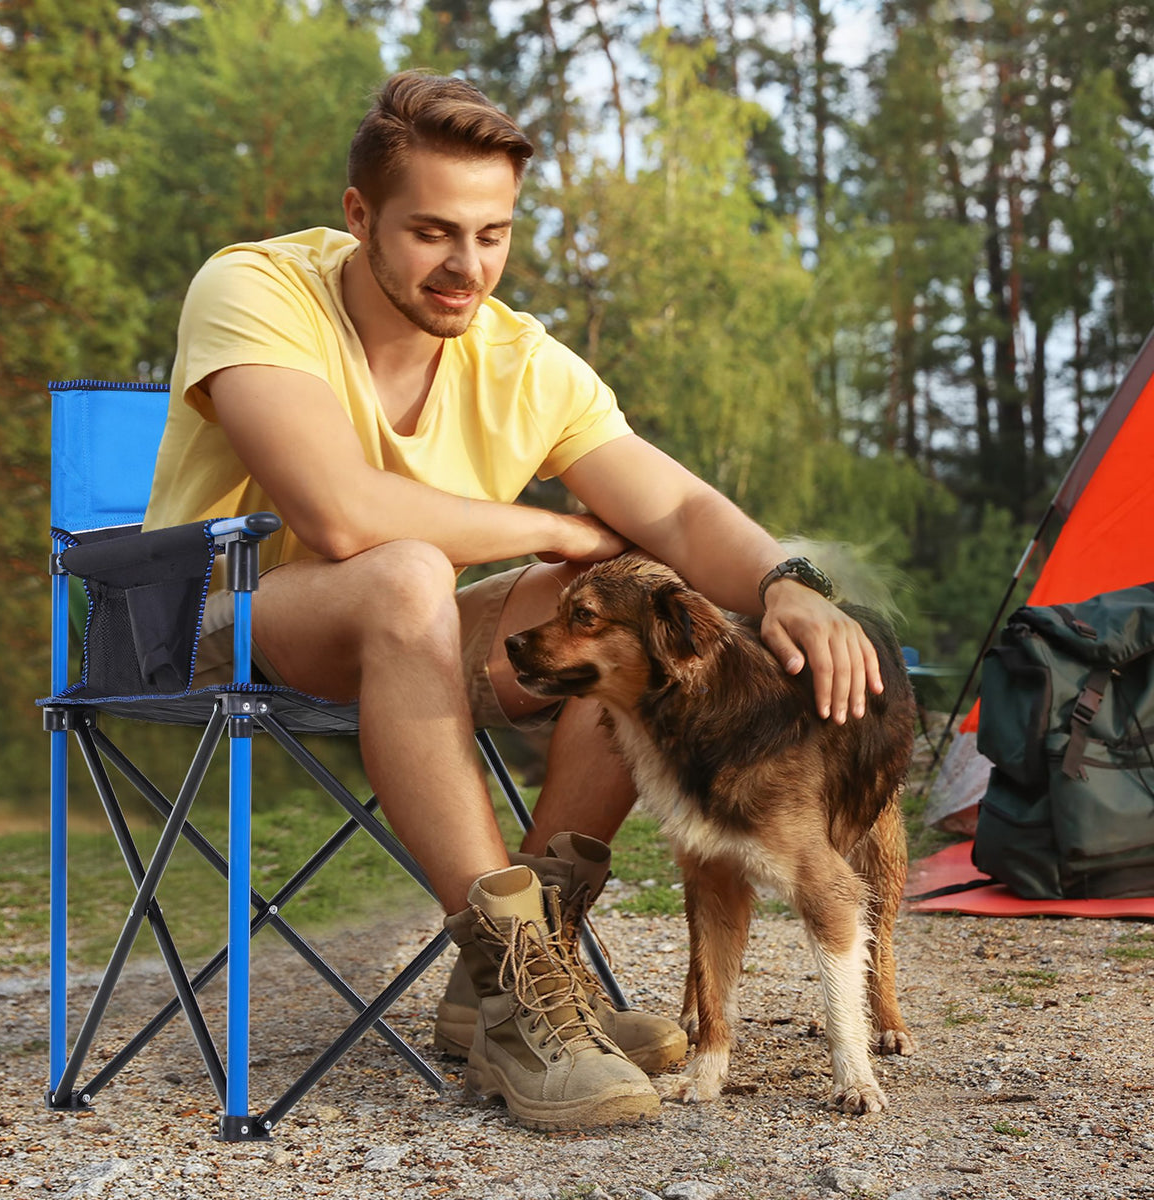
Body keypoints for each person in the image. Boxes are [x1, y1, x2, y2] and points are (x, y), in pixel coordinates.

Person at [144, 70, 883, 1132]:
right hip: (214, 622)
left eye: (493, 234)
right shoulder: (256, 288)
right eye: (433, 232)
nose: (467, 267)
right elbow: (344, 516)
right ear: (360, 217)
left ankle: (513, 985)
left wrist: (788, 585)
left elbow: (671, 504)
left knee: (617, 615)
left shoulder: (518, 357)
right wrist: (555, 526)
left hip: (401, 638)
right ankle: (514, 975)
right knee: (407, 567)